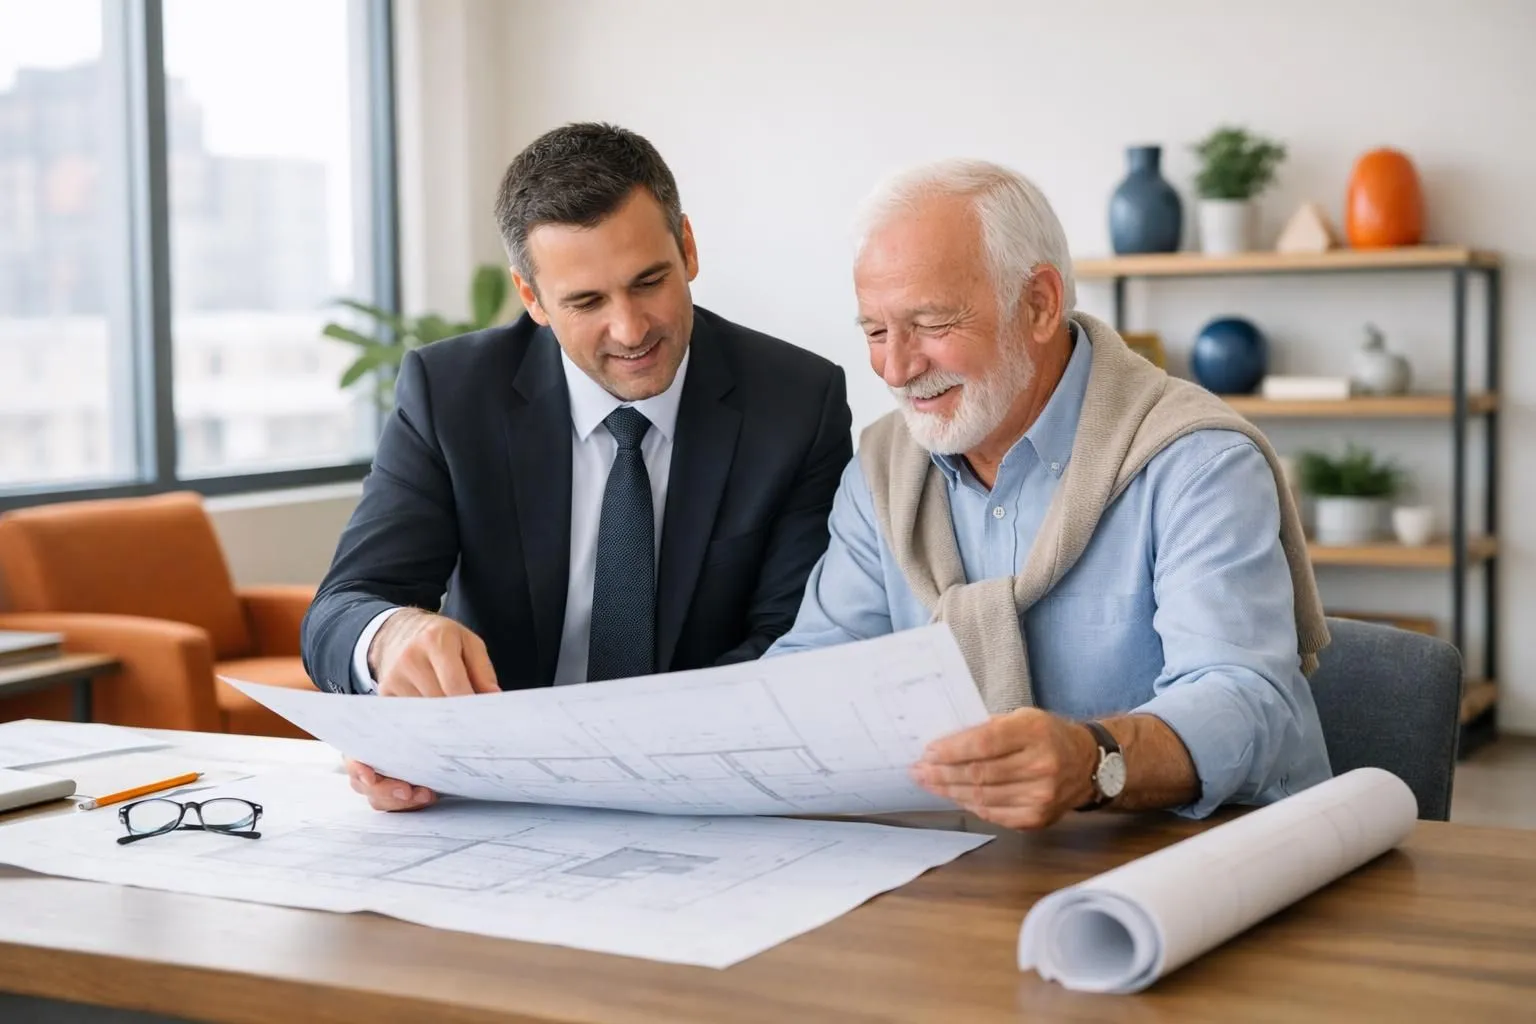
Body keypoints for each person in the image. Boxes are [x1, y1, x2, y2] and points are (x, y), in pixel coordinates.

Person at [766, 159, 1332, 829]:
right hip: (964, 869)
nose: (897, 367)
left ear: (1038, 305)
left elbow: (1244, 700)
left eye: (931, 323)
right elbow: (812, 680)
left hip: (1205, 860)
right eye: (876, 331)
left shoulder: (1196, 462)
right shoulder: (882, 471)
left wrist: (1093, 760)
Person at [303, 123, 852, 810]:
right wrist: (393, 637)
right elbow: (341, 609)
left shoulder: (797, 400)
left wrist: (628, 754)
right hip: (498, 793)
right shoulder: (452, 395)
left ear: (688, 247)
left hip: (700, 789)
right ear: (532, 298)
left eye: (649, 281)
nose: (630, 330)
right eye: (587, 302)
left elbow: (792, 642)